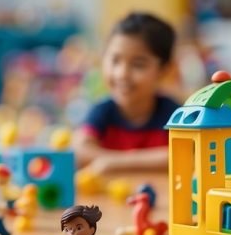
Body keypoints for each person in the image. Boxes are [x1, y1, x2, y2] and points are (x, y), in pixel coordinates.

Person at [73, 12, 179, 175]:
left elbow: (186, 157)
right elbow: (80, 151)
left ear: (164, 70)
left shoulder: (175, 116)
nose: (122, 74)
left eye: (138, 64)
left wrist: (112, 163)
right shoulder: (102, 112)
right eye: (115, 61)